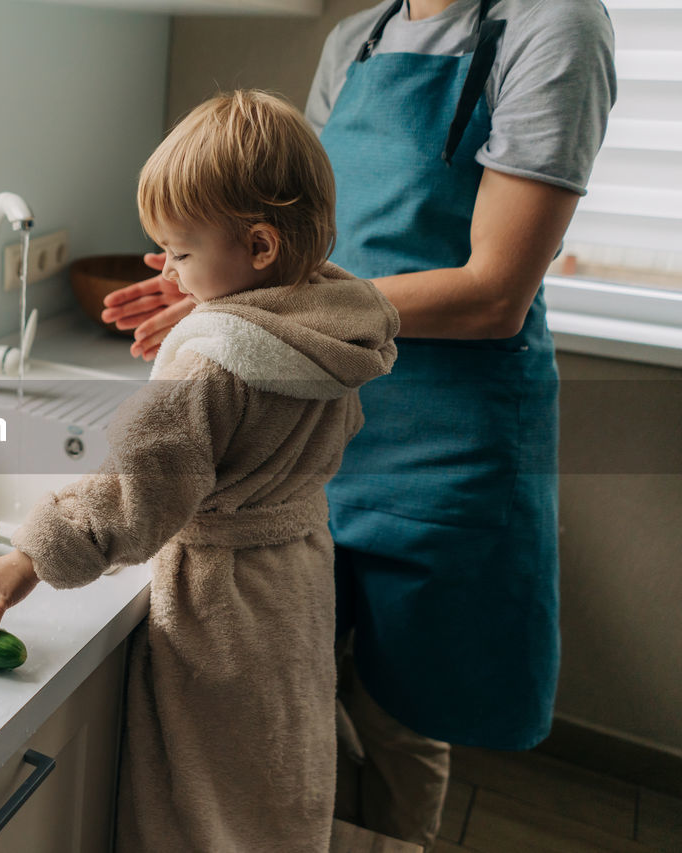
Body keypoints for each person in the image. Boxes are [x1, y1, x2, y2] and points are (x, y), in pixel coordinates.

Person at [100, 1, 616, 848]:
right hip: (316, 430)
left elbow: (495, 292)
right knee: (296, 691)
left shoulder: (553, 23)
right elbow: (294, 242)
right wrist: (218, 284)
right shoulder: (359, 39)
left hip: (447, 444)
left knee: (402, 718)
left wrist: (254, 311)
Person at [0, 89, 398, 851]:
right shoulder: (328, 322)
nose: (171, 274)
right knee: (272, 772)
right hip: (296, 578)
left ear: (261, 249)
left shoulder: (209, 362)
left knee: (201, 797)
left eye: (180, 253)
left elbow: (133, 497)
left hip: (221, 604)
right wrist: (206, 284)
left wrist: (30, 554)